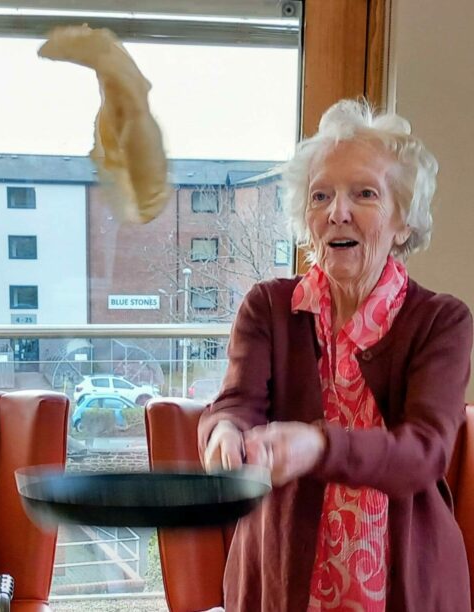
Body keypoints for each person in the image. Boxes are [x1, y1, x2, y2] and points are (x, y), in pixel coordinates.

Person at [199, 99, 472, 612]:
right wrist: (224, 435)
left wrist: (318, 447)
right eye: (320, 195)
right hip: (278, 575)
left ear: (403, 221)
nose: (336, 211)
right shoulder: (268, 306)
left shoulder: (442, 321)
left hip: (404, 583)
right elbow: (235, 404)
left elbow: (425, 452)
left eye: (364, 193)